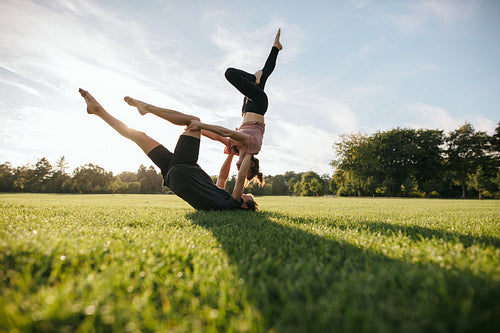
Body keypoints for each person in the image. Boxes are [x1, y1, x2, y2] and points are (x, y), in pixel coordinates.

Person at [78, 88, 258, 211]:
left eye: (247, 197)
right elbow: (222, 177)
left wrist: (248, 151)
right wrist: (230, 154)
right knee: (139, 136)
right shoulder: (222, 199)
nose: (245, 194)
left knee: (193, 121)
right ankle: (98, 111)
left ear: (244, 206)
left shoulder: (233, 205)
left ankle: (147, 107)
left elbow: (241, 178)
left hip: (186, 169)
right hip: (174, 178)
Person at [193, 28, 283, 194]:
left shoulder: (234, 148)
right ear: (252, 164)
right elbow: (241, 178)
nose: (240, 169)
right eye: (245, 169)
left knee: (263, 76)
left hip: (245, 111)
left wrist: (195, 127)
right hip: (258, 106)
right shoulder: (252, 147)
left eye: (241, 169)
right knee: (230, 73)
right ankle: (254, 77)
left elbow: (217, 137)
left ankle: (275, 48)